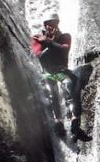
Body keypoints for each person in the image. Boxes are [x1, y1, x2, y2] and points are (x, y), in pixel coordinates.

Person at [31, 14, 91, 142]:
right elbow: (40, 56)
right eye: (49, 24)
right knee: (51, 90)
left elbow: (64, 50)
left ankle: (75, 125)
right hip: (49, 74)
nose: (52, 27)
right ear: (45, 25)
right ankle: (58, 123)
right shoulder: (37, 38)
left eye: (54, 24)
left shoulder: (65, 37)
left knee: (73, 83)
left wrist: (48, 42)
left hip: (61, 72)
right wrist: (50, 43)